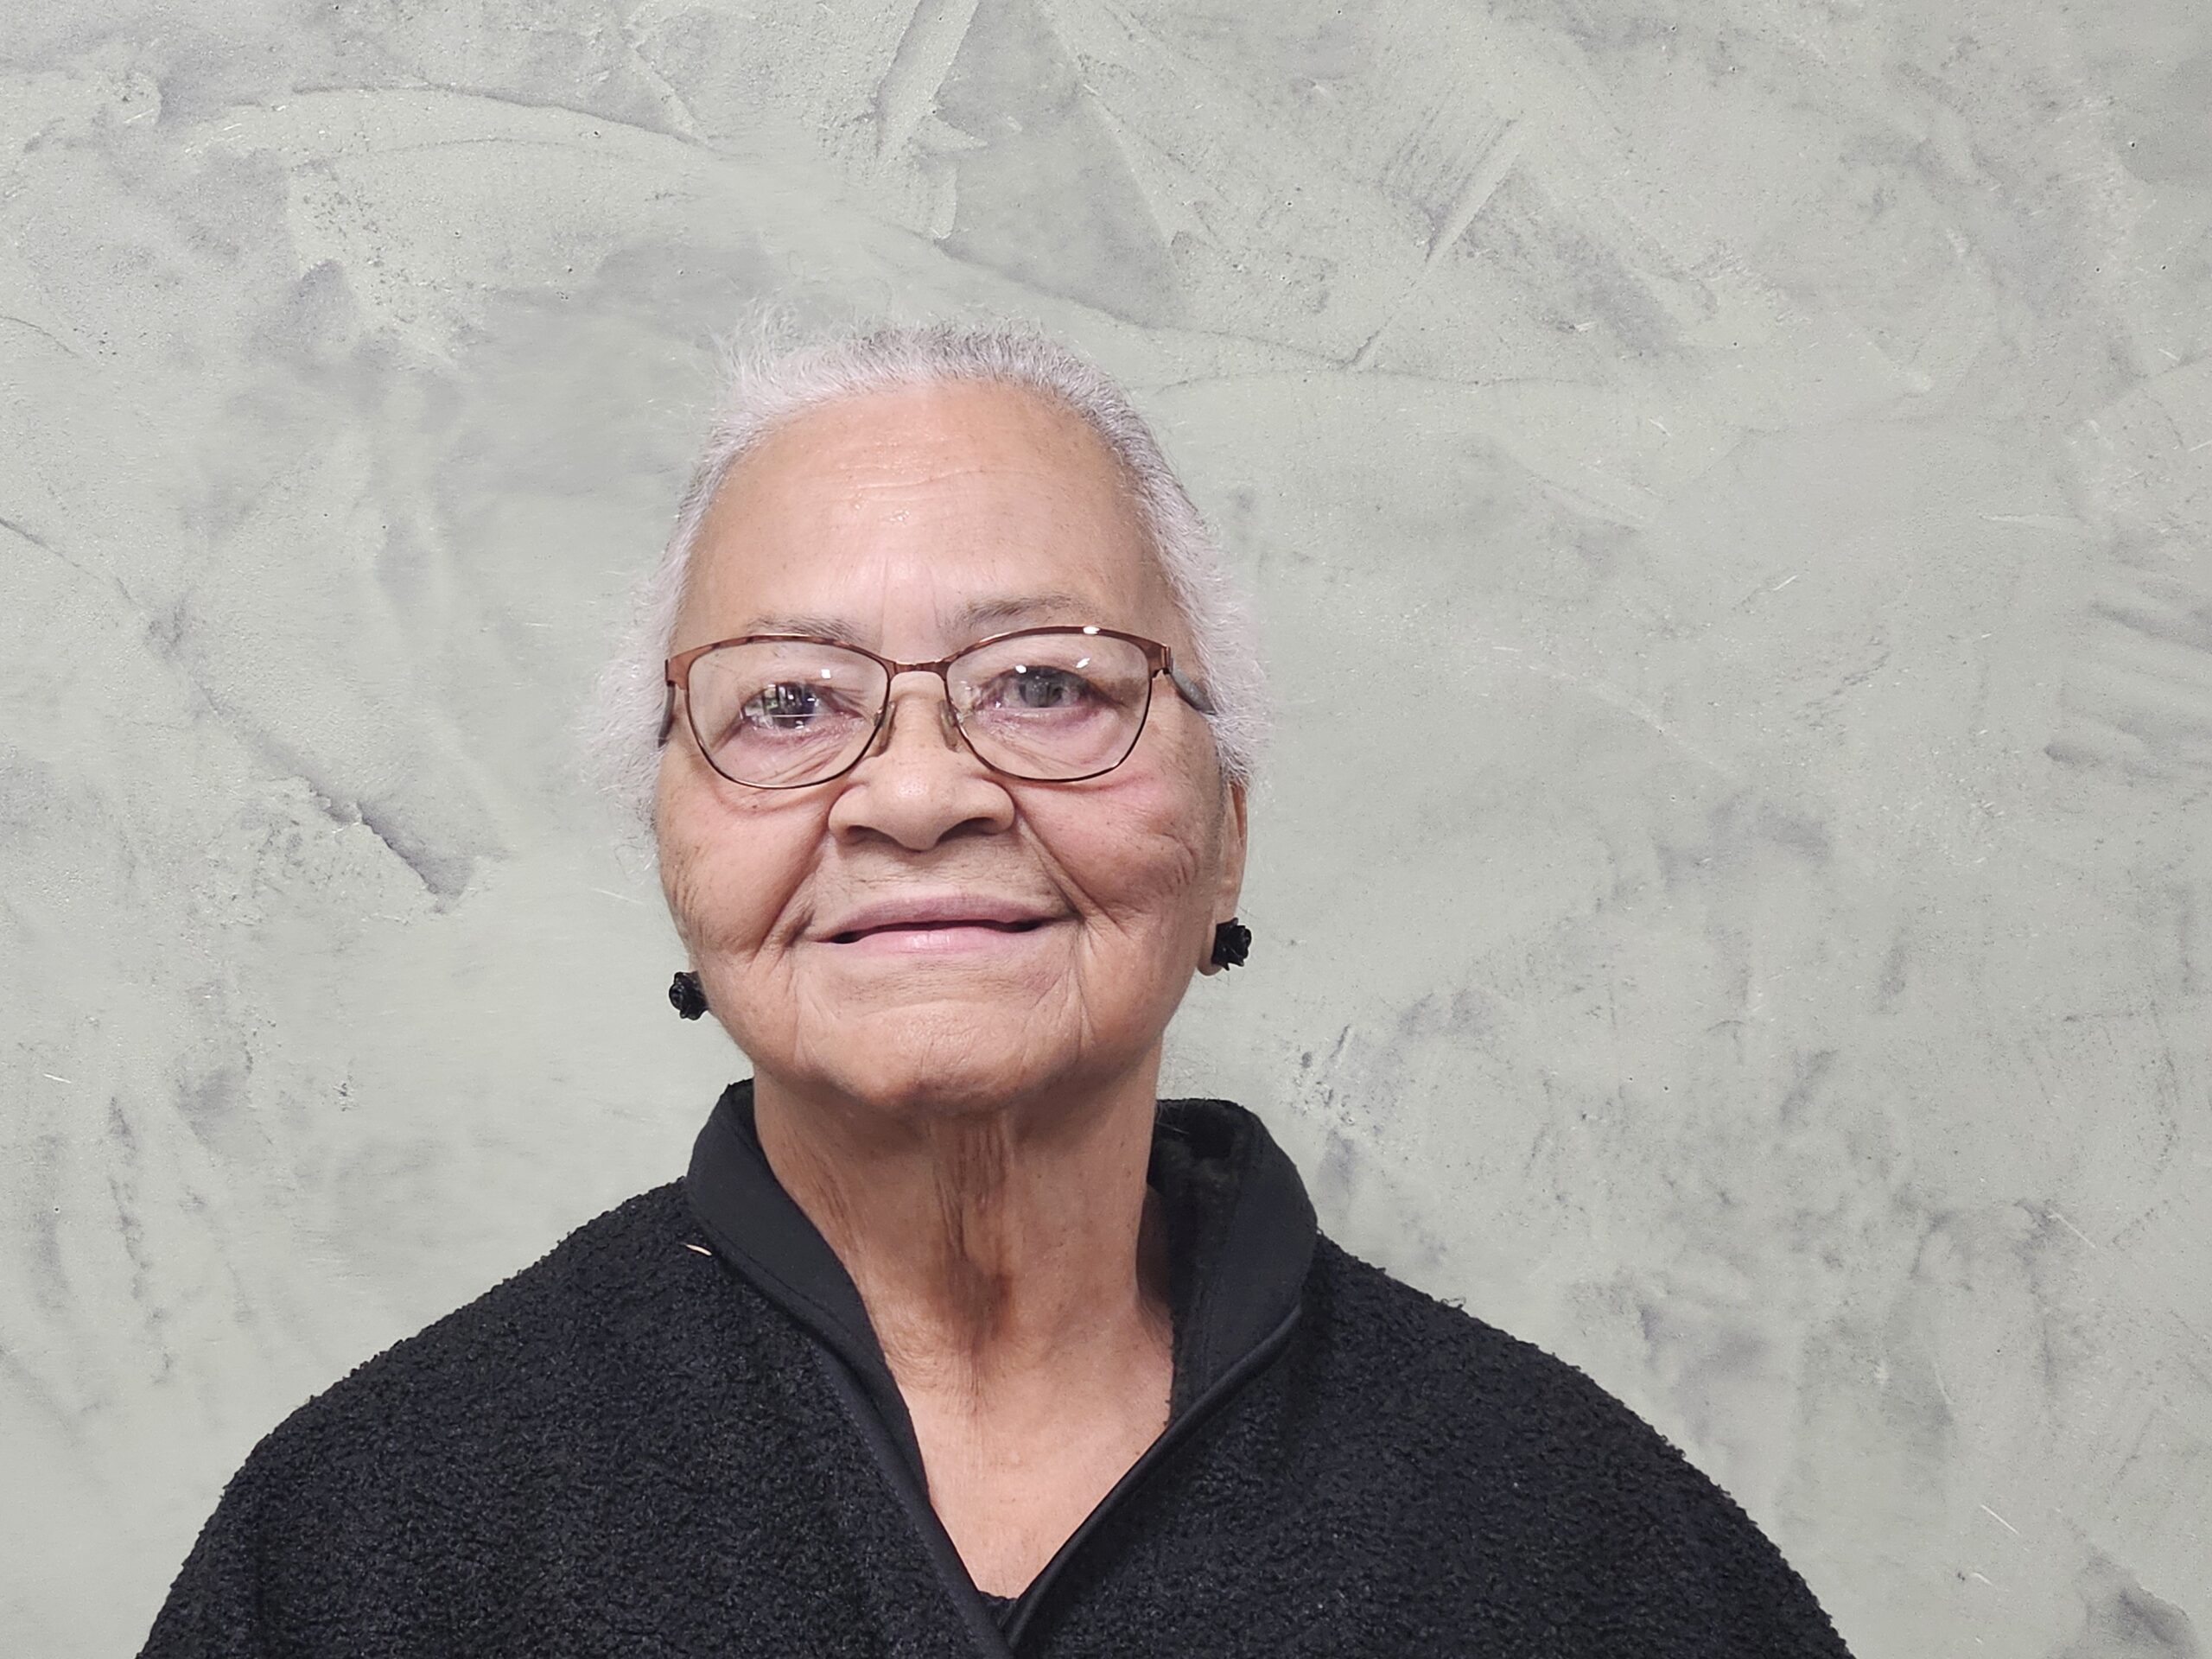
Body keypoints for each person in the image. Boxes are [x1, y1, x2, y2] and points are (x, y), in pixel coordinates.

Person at [140, 323, 1851, 1656]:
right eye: (787, 703)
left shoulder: (1581, 1551)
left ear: (1226, 834)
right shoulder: (367, 1543)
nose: (914, 793)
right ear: (671, 845)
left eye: (1044, 682)